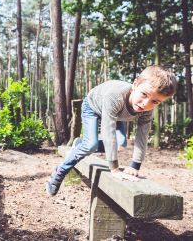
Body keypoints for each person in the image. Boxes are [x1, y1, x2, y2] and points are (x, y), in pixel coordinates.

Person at [46, 65, 177, 196]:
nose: (146, 104)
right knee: (91, 144)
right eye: (144, 94)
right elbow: (108, 133)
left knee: (121, 143)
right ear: (135, 84)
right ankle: (59, 172)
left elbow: (142, 136)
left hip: (117, 114)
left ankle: (81, 145)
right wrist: (114, 169)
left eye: (155, 101)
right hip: (93, 107)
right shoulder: (115, 96)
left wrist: (135, 166)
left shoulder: (147, 110)